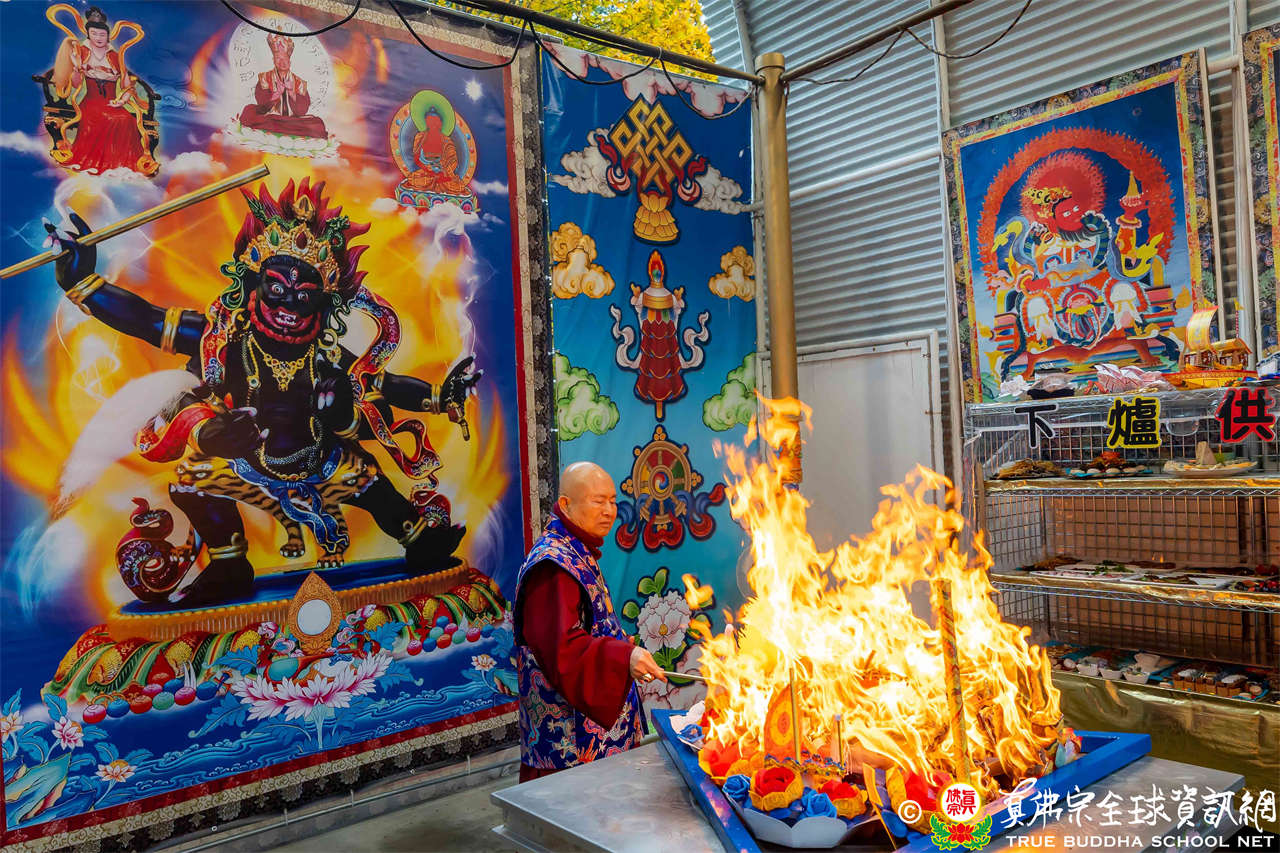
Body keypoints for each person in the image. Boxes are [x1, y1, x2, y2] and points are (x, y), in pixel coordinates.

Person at [513, 462, 665, 782]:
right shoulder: (553, 567)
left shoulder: (576, 549)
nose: (609, 511)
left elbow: (585, 627)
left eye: (613, 501)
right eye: (598, 501)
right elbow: (561, 651)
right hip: (569, 749)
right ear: (566, 504)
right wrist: (622, 656)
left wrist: (619, 645)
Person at [49, 6, 156, 176]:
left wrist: (122, 100)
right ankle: (97, 162)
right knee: (109, 119)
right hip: (91, 102)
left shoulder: (115, 56)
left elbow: (128, 86)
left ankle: (120, 163)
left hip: (112, 103)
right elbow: (76, 84)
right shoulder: (82, 52)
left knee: (127, 119)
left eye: (102, 34)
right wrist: (76, 67)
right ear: (88, 34)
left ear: (108, 36)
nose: (98, 38)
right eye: (94, 33)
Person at [237, 33, 328, 139]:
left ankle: (279, 127)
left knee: (317, 123)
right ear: (273, 61)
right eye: (278, 58)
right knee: (248, 111)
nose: (282, 62)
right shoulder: (265, 78)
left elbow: (302, 111)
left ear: (290, 62)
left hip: (292, 120)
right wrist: (276, 95)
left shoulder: (299, 82)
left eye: (285, 59)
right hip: (270, 117)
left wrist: (292, 93)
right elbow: (261, 107)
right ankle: (286, 128)